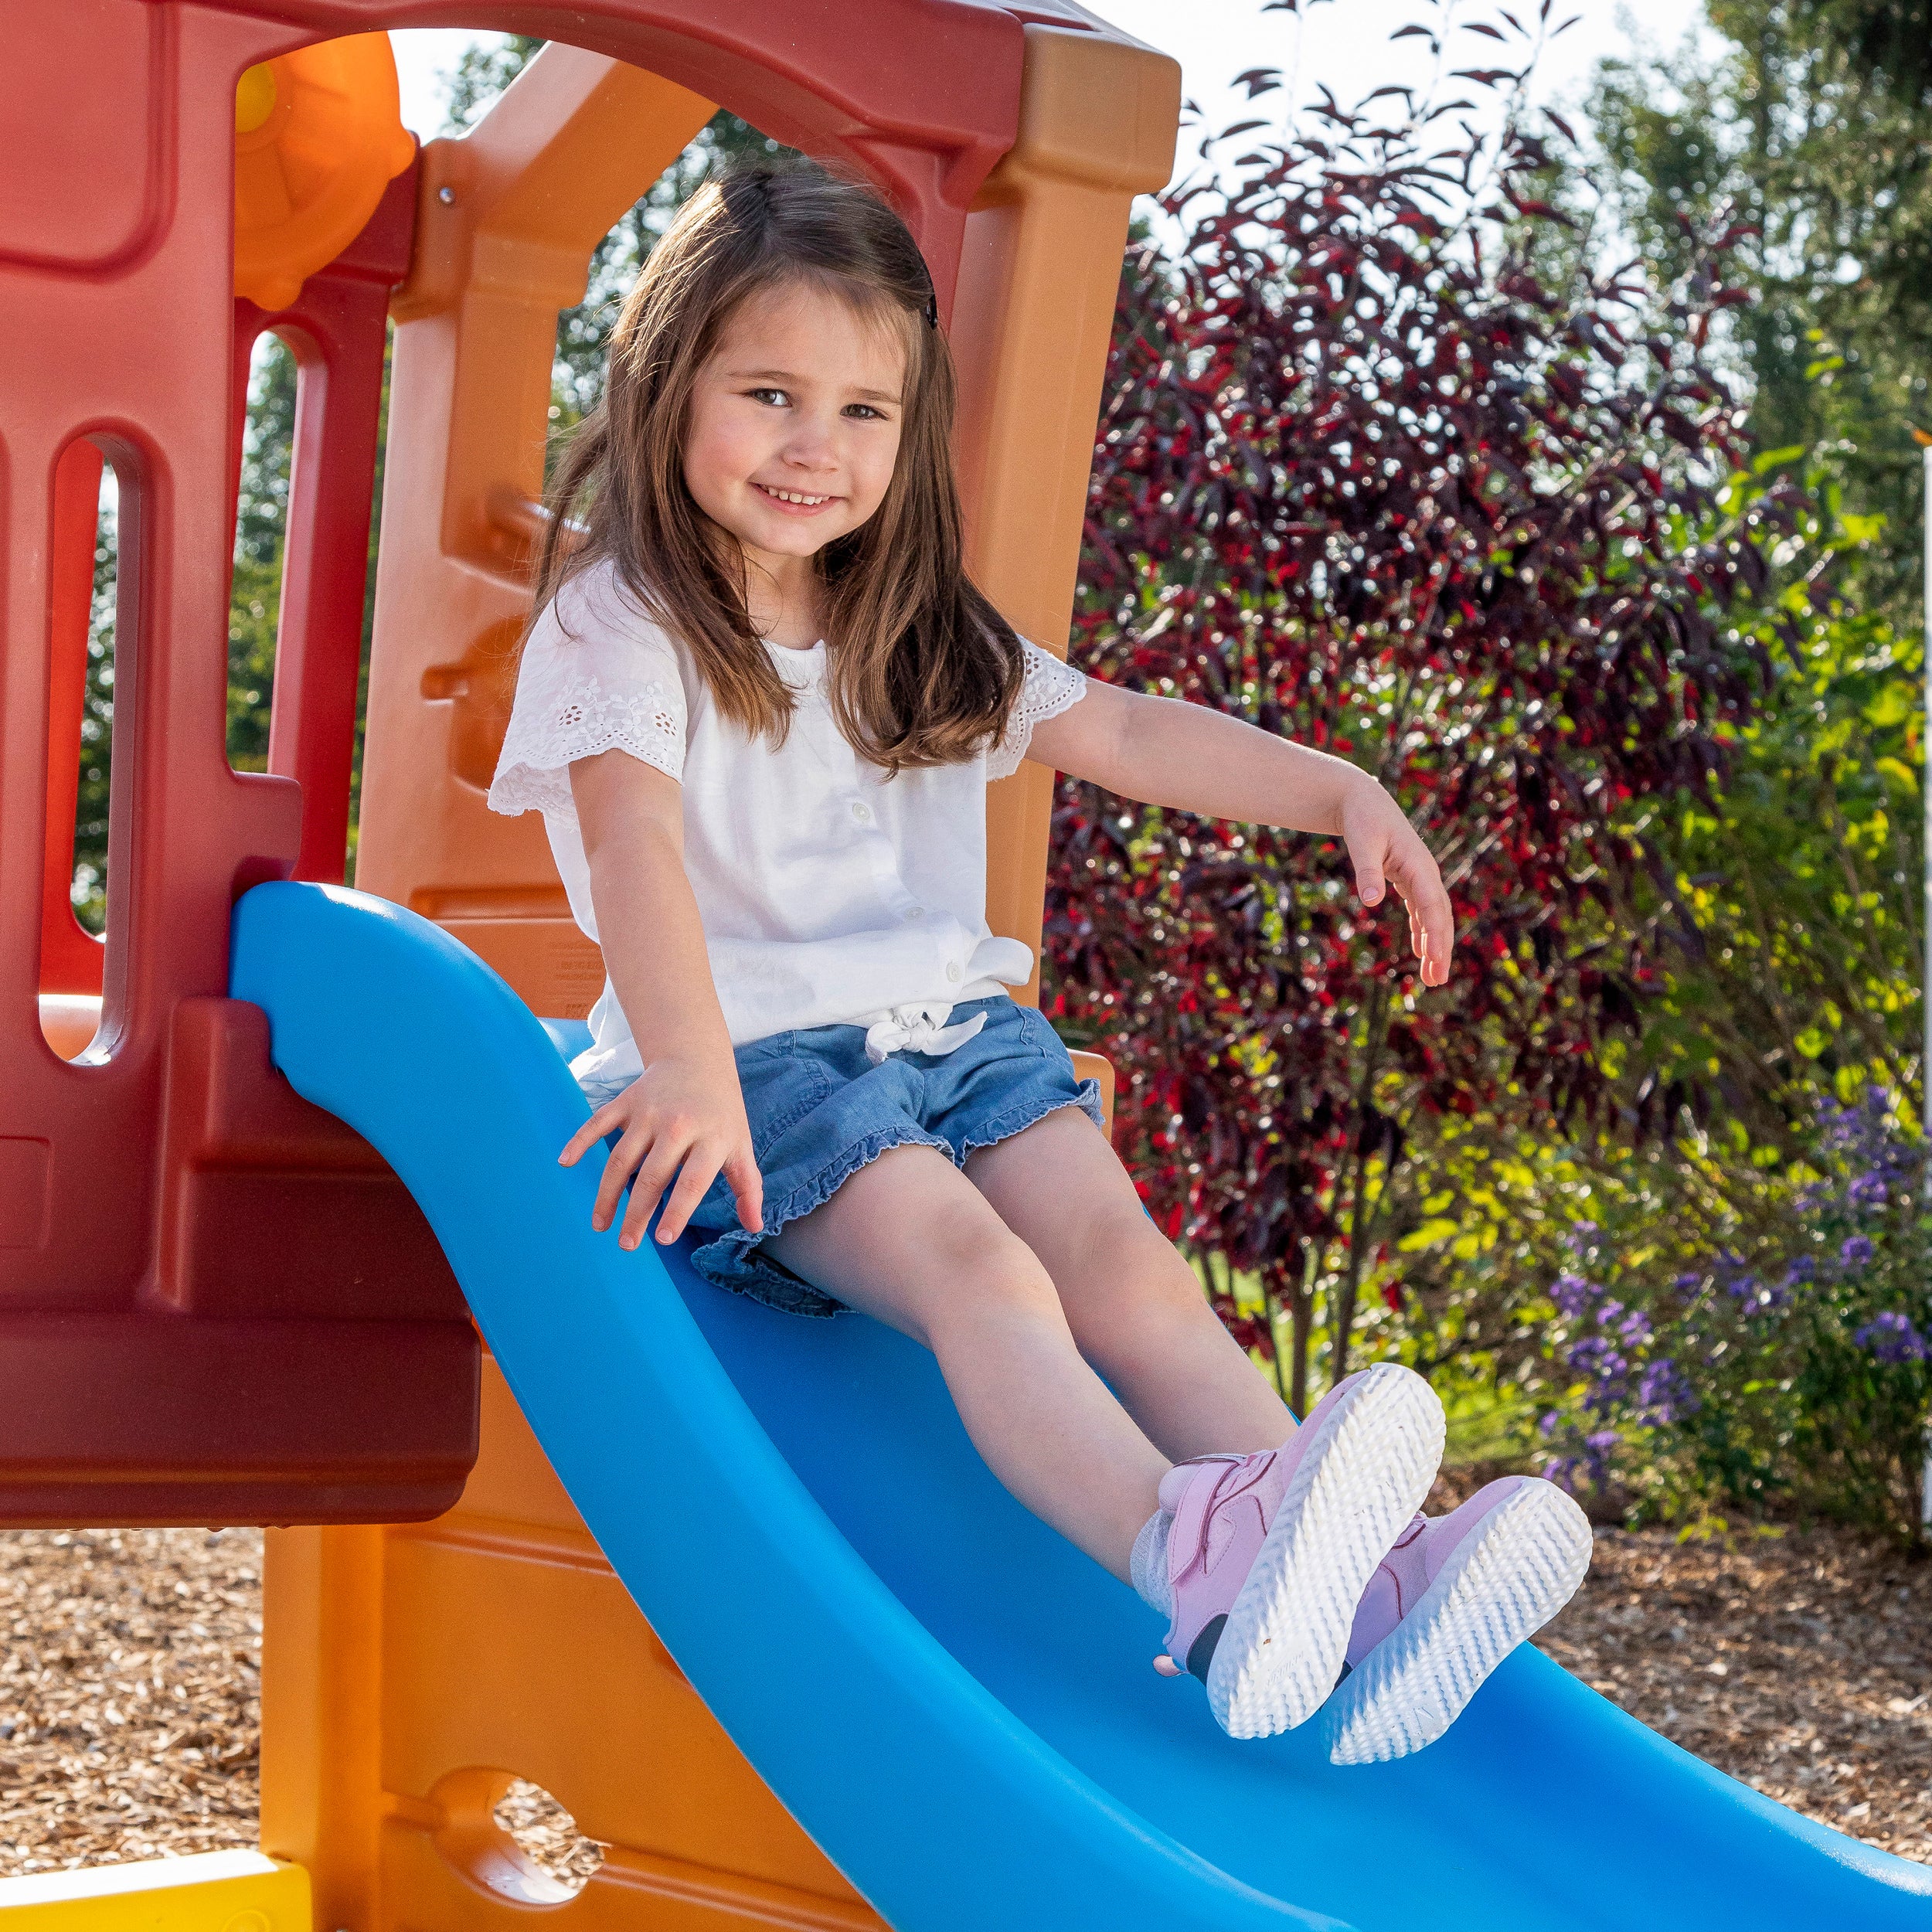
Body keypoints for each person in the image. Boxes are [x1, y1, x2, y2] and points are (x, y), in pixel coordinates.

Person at [488, 159, 1590, 1758]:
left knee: (1129, 1269)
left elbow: (1126, 729)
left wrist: (1337, 786)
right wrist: (685, 1064)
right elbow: (639, 848)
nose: (816, 446)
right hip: (766, 1071)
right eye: (771, 393)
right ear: (667, 385)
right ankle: (1185, 1559)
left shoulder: (914, 618)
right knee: (981, 1270)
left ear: (911, 431)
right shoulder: (626, 618)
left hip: (959, 1039)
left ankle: (1347, 1587)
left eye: (865, 410)